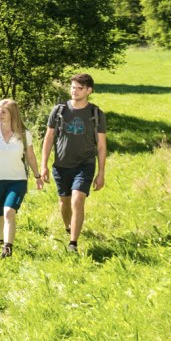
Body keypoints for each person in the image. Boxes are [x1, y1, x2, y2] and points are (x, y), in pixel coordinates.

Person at [39, 73, 107, 253]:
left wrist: (101, 173)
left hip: (85, 164)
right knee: (65, 203)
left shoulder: (96, 114)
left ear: (89, 90)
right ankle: (69, 228)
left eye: (79, 88)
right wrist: (43, 165)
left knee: (77, 200)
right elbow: (49, 138)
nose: (74, 91)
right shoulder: (59, 111)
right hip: (61, 165)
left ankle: (73, 244)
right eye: (72, 87)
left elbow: (101, 145)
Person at [0, 99, 38, 259]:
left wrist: (37, 176)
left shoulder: (23, 134)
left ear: (12, 114)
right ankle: (1, 242)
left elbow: (30, 156)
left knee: (9, 211)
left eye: (3, 112)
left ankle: (7, 249)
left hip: (17, 180)